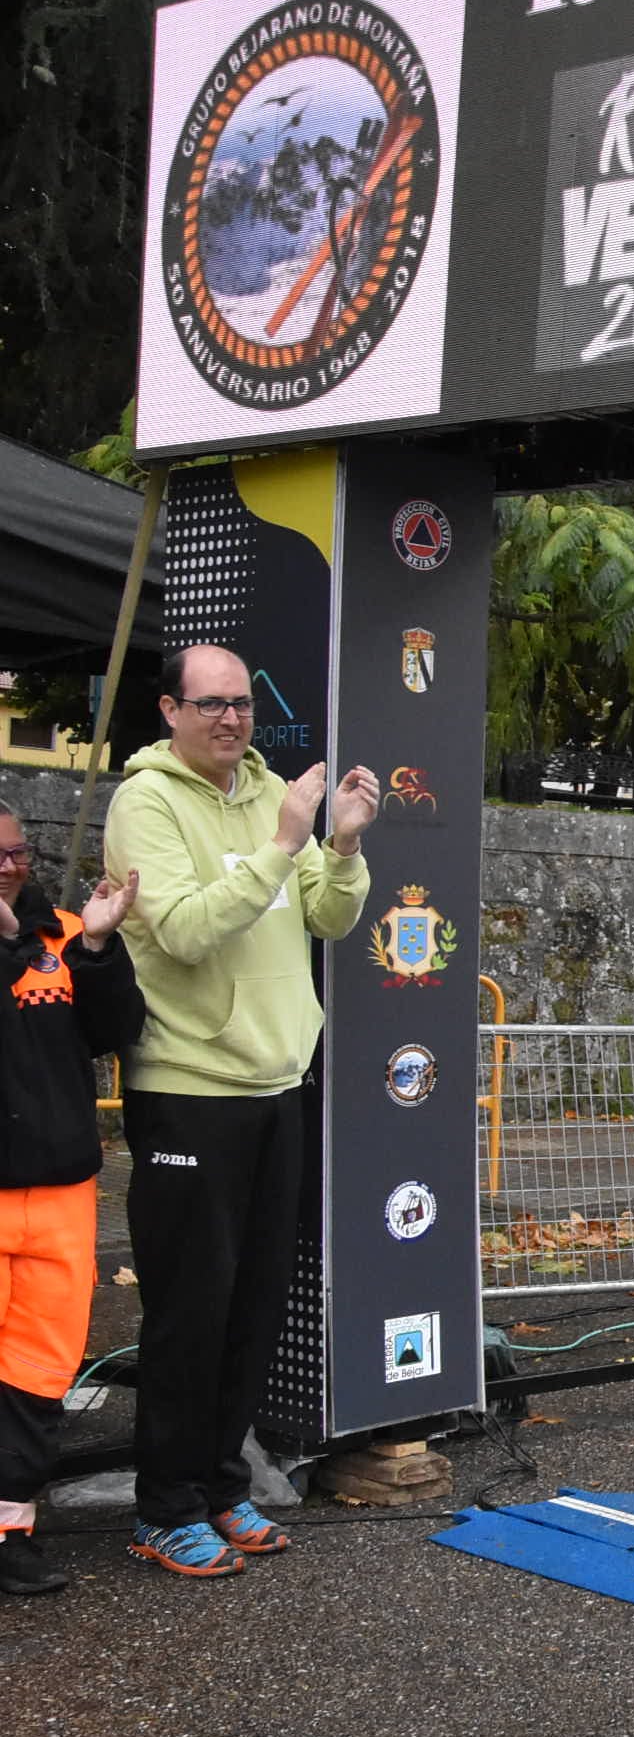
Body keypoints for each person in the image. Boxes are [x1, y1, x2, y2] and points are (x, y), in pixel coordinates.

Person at [102, 645, 379, 1578]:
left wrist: (342, 847)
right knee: (190, 1312)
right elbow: (182, 931)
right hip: (189, 1091)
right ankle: (164, 1508)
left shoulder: (269, 792)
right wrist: (282, 844)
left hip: (277, 1086)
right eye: (211, 704)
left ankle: (222, 1486)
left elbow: (329, 918)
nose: (231, 719)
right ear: (169, 710)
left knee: (252, 1309)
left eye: (242, 704)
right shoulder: (145, 803)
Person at [0, 805, 144, 1595]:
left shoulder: (61, 933)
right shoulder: (22, 946)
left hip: (61, 1191)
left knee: (39, 1369)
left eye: (17, 851)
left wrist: (95, 947)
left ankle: (11, 1531)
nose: (8, 866)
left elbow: (117, 1029)